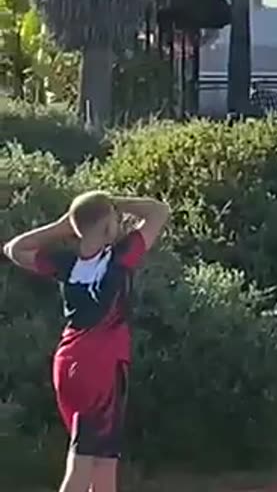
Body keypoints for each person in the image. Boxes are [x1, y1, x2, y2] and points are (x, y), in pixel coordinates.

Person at [3, 191, 171, 492]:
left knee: (104, 461)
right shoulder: (120, 258)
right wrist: (113, 201)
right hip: (101, 365)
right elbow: (159, 211)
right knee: (82, 463)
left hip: (68, 361)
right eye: (115, 221)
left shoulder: (65, 264)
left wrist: (64, 225)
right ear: (108, 227)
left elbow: (14, 248)